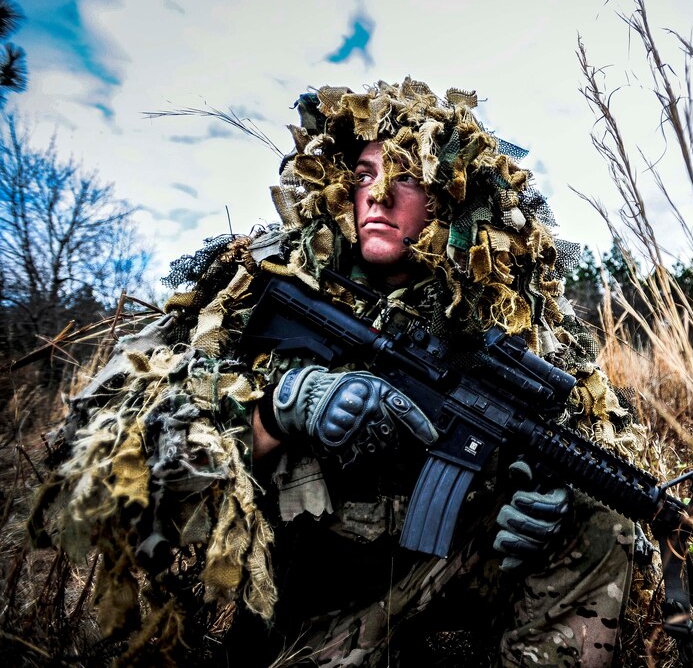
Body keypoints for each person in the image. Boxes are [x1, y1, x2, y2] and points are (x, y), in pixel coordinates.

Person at [31, 78, 643, 667]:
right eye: (364, 176)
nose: (379, 196)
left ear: (447, 198)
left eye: (407, 176)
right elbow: (103, 465)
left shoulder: (499, 314)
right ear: (340, 190)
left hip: (434, 585)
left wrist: (545, 506)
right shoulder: (264, 285)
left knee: (596, 523)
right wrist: (278, 410)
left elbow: (607, 465)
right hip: (305, 619)